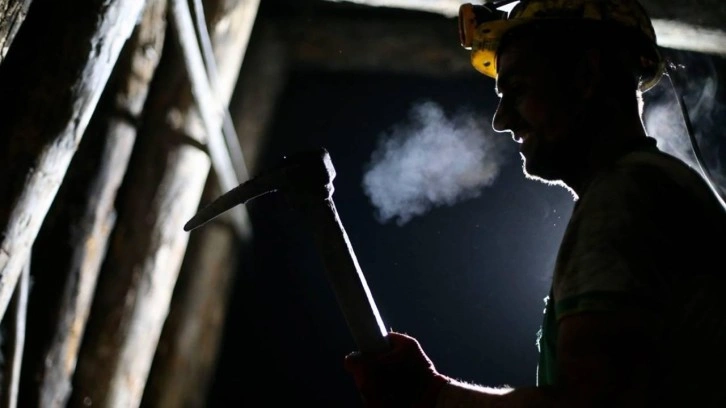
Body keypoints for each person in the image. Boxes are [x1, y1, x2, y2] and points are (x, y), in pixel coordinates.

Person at [343, 0, 726, 407]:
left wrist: (429, 396)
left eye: (518, 90)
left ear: (586, 76)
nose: (501, 120)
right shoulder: (655, 187)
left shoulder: (624, 198)